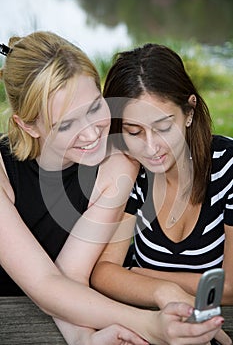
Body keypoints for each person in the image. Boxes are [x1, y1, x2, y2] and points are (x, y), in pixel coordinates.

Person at [0, 32, 225, 345]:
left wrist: (84, 339)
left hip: (75, 313)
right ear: (28, 125)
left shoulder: (119, 162)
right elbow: (46, 283)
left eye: (95, 108)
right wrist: (148, 324)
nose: (92, 133)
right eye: (65, 124)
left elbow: (72, 275)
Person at [90, 43, 233, 344]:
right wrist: (162, 291)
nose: (151, 148)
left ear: (189, 112)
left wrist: (136, 275)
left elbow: (231, 286)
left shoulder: (228, 167)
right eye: (134, 131)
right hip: (148, 325)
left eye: (164, 126)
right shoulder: (130, 170)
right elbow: (103, 273)